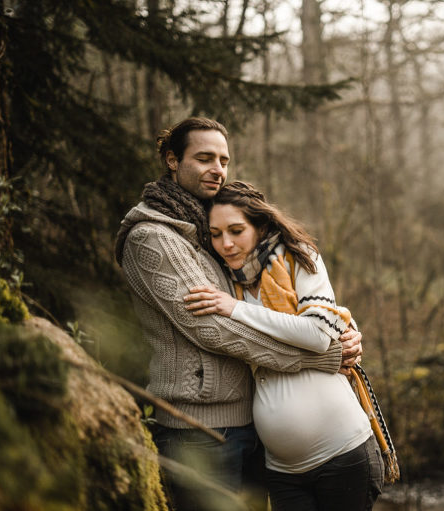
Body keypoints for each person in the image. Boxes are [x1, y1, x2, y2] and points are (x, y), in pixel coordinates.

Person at [114, 117, 363, 511]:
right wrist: (326, 354)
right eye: (204, 158)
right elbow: (216, 330)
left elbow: (272, 306)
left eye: (224, 160)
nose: (218, 169)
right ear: (172, 160)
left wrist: (339, 329)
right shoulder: (153, 238)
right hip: (198, 431)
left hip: (250, 426)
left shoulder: (208, 232)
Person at [182, 181, 384, 510]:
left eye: (236, 230)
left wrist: (235, 310)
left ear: (260, 226)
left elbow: (319, 334)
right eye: (216, 234)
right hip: (281, 469)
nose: (226, 244)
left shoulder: (300, 258)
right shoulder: (225, 282)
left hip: (343, 453)